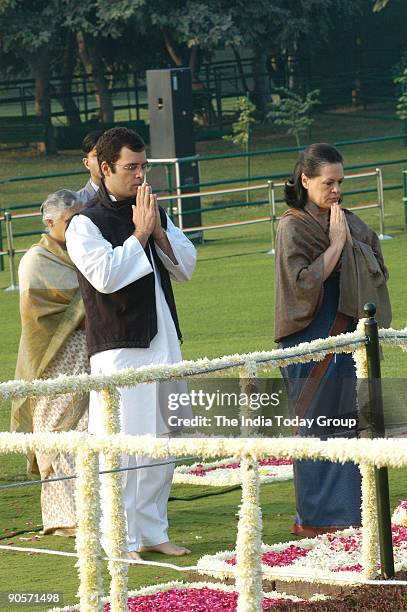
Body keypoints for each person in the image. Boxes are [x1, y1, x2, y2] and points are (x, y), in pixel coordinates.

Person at [65, 127, 197, 559]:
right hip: (121, 350)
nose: (140, 176)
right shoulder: (84, 222)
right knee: (121, 445)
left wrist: (156, 231)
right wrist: (139, 236)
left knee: (163, 440)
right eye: (131, 168)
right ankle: (120, 539)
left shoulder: (152, 210)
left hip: (165, 344)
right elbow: (106, 277)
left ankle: (153, 529)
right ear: (105, 168)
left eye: (144, 167)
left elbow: (187, 266)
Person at [274, 143, 391, 538]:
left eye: (340, 181)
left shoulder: (349, 220)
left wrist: (353, 244)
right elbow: (302, 282)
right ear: (305, 181)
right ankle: (317, 518)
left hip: (348, 338)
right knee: (316, 426)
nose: (336, 190)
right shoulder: (292, 225)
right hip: (311, 337)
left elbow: (377, 264)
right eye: (328, 182)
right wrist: (337, 245)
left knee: (350, 423)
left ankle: (351, 513)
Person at [11, 189, 89, 537]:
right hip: (51, 361)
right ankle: (62, 518)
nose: (77, 228)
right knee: (56, 433)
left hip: (90, 356)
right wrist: (87, 307)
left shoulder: (85, 252)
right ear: (50, 222)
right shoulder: (35, 260)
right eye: (71, 222)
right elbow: (36, 313)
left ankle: (93, 510)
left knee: (91, 430)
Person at [76, 130, 104, 202]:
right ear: (86, 163)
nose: (104, 160)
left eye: (109, 154)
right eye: (97, 155)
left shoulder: (131, 198)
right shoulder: (77, 204)